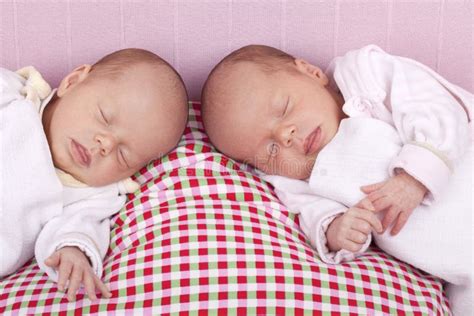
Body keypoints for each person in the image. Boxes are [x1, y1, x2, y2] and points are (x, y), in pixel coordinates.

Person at [201, 44, 473, 315]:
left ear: (311, 72)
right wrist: (337, 230)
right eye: (271, 149)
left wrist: (415, 176)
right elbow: (312, 214)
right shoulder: (293, 179)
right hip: (461, 267)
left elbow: (434, 106)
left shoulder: (362, 76)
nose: (286, 135)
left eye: (285, 109)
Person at [0, 48, 188, 302]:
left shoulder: (90, 196)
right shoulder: (15, 96)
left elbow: (77, 229)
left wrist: (73, 251)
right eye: (104, 117)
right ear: (73, 82)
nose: (105, 144)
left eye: (122, 155)